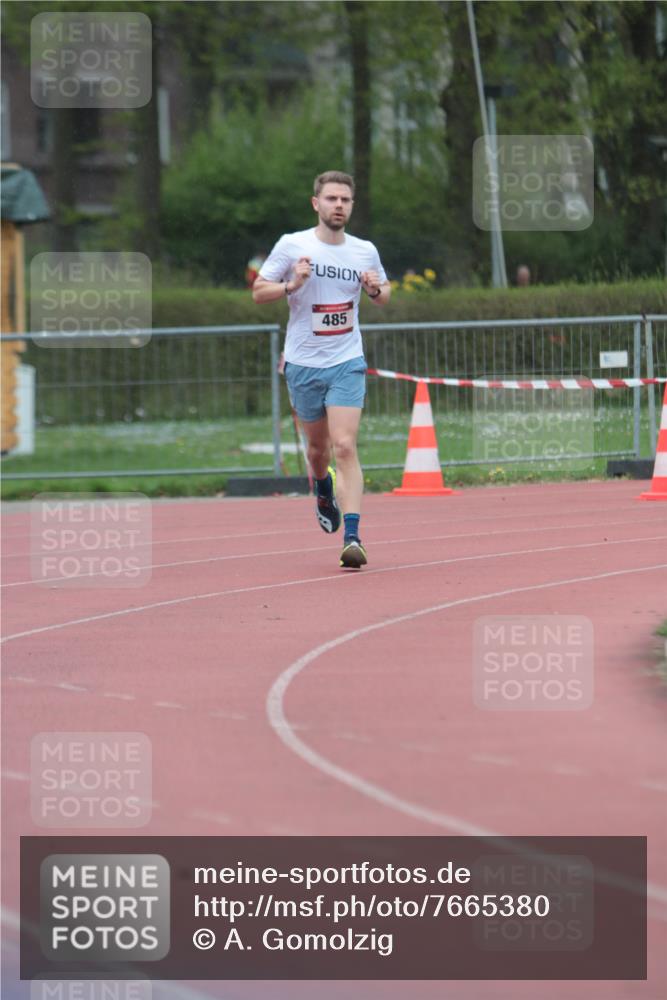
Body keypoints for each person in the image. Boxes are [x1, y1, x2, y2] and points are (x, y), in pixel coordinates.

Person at [252, 170, 391, 569]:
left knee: (345, 445)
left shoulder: (364, 250)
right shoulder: (292, 245)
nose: (338, 206)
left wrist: (374, 289)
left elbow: (384, 293)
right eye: (331, 199)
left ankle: (352, 537)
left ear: (352, 206)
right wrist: (291, 285)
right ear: (316, 203)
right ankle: (322, 487)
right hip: (303, 364)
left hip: (346, 361)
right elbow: (259, 292)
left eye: (345, 200)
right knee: (318, 451)